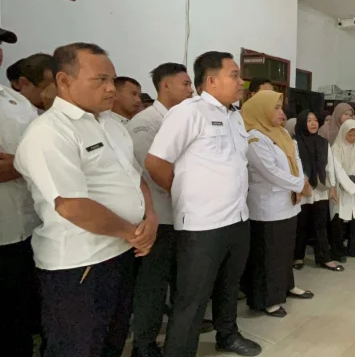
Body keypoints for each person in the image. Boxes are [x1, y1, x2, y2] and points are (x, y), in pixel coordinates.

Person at [14, 42, 158, 357]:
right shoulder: (50, 132)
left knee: (112, 341)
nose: (111, 88)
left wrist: (150, 217)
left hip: (121, 254)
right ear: (64, 80)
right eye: (101, 80)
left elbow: (134, 177)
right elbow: (72, 206)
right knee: (78, 347)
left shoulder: (111, 125)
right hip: (80, 264)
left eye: (113, 79)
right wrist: (133, 232)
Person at [146, 51, 260, 357]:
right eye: (234, 75)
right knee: (192, 297)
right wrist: (186, 194)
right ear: (211, 80)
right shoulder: (188, 113)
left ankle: (228, 335)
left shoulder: (235, 115)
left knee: (229, 286)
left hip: (238, 219)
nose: (241, 81)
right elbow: (156, 162)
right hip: (202, 225)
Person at [128, 62, 195, 357]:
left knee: (183, 280)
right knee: (153, 286)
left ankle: (179, 330)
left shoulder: (185, 118)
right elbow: (154, 172)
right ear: (165, 85)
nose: (191, 90)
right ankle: (144, 344)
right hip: (159, 217)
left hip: (185, 214)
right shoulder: (145, 123)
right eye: (185, 84)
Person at [242, 91, 314, 318]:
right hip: (268, 208)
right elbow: (270, 171)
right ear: (262, 110)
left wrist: (300, 184)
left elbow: (296, 160)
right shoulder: (255, 137)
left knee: (285, 251)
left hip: (289, 203)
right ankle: (267, 300)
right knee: (269, 255)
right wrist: (299, 185)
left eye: (281, 107)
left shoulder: (281, 133)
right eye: (276, 108)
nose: (282, 113)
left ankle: (286, 286)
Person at [1, 80, 42, 357]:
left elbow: (39, 153)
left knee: (18, 321)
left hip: (26, 228)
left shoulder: (16, 100)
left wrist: (20, 164)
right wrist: (26, 164)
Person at [292, 110, 344, 271]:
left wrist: (332, 187)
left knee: (321, 224)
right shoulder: (294, 142)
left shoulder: (323, 142)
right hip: (303, 189)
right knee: (301, 224)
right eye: (309, 120)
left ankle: (324, 258)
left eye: (315, 120)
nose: (313, 123)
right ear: (302, 123)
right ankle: (298, 256)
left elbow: (329, 166)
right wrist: (302, 183)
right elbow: (294, 165)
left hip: (320, 188)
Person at [330, 119, 355, 259]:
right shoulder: (336, 148)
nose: (352, 138)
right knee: (339, 220)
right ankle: (338, 251)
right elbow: (338, 170)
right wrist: (351, 186)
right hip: (343, 188)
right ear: (343, 133)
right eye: (350, 135)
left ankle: (354, 248)